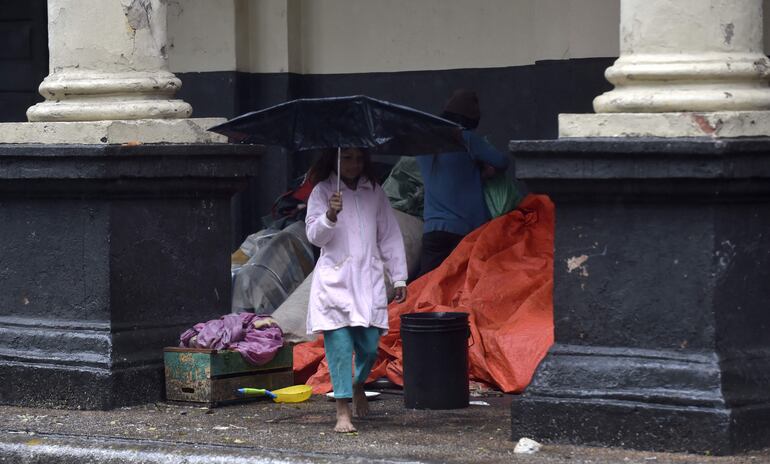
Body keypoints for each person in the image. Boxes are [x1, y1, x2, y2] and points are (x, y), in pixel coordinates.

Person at [305, 147, 408, 433]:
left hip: (368, 282)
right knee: (339, 348)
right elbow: (315, 237)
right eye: (346, 158)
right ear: (334, 159)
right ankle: (342, 410)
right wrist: (330, 214)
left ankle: (358, 383)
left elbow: (389, 235)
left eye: (359, 158)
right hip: (335, 282)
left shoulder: (374, 192)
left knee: (370, 346)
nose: (354, 164)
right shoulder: (322, 191)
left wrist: (399, 277)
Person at [415, 89, 509, 277]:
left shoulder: (424, 143)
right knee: (462, 285)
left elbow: (449, 173)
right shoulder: (466, 139)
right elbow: (502, 161)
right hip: (465, 230)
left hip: (433, 229)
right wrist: (484, 171)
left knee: (426, 284)